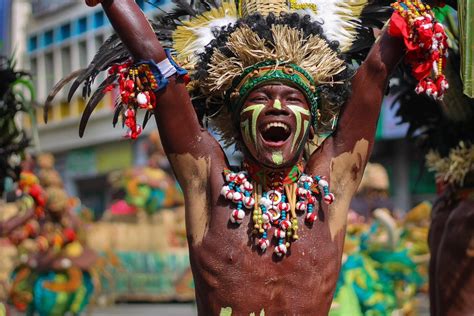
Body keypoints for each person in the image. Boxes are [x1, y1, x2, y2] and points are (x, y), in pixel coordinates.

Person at [51, 0, 448, 313]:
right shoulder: (208, 185)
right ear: (239, 122)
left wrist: (415, 11)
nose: (277, 105)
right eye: (260, 97)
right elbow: (160, 70)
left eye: (292, 98)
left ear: (311, 121)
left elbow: (376, 71)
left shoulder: (333, 183)